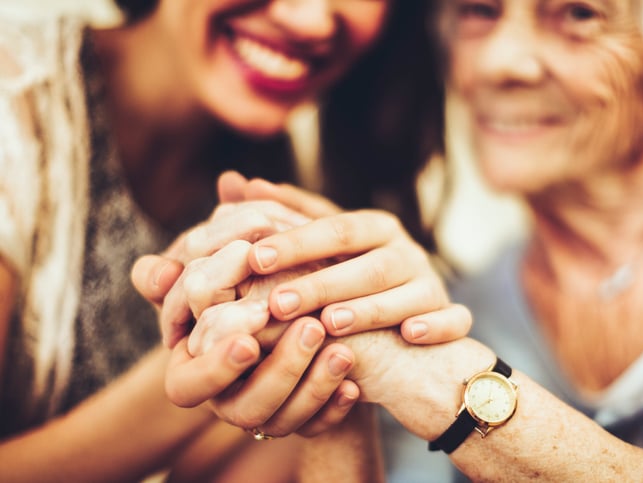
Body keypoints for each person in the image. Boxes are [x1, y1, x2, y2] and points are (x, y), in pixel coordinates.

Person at [137, 0, 643, 479]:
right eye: (479, 11)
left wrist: (440, 381)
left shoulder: (438, 343)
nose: (500, 62)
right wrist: (328, 341)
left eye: (578, 15)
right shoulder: (449, 313)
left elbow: (428, 376)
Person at [0, 0, 468, 481]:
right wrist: (228, 362)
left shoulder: (297, 193)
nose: (310, 18)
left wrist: (329, 362)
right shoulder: (12, 101)